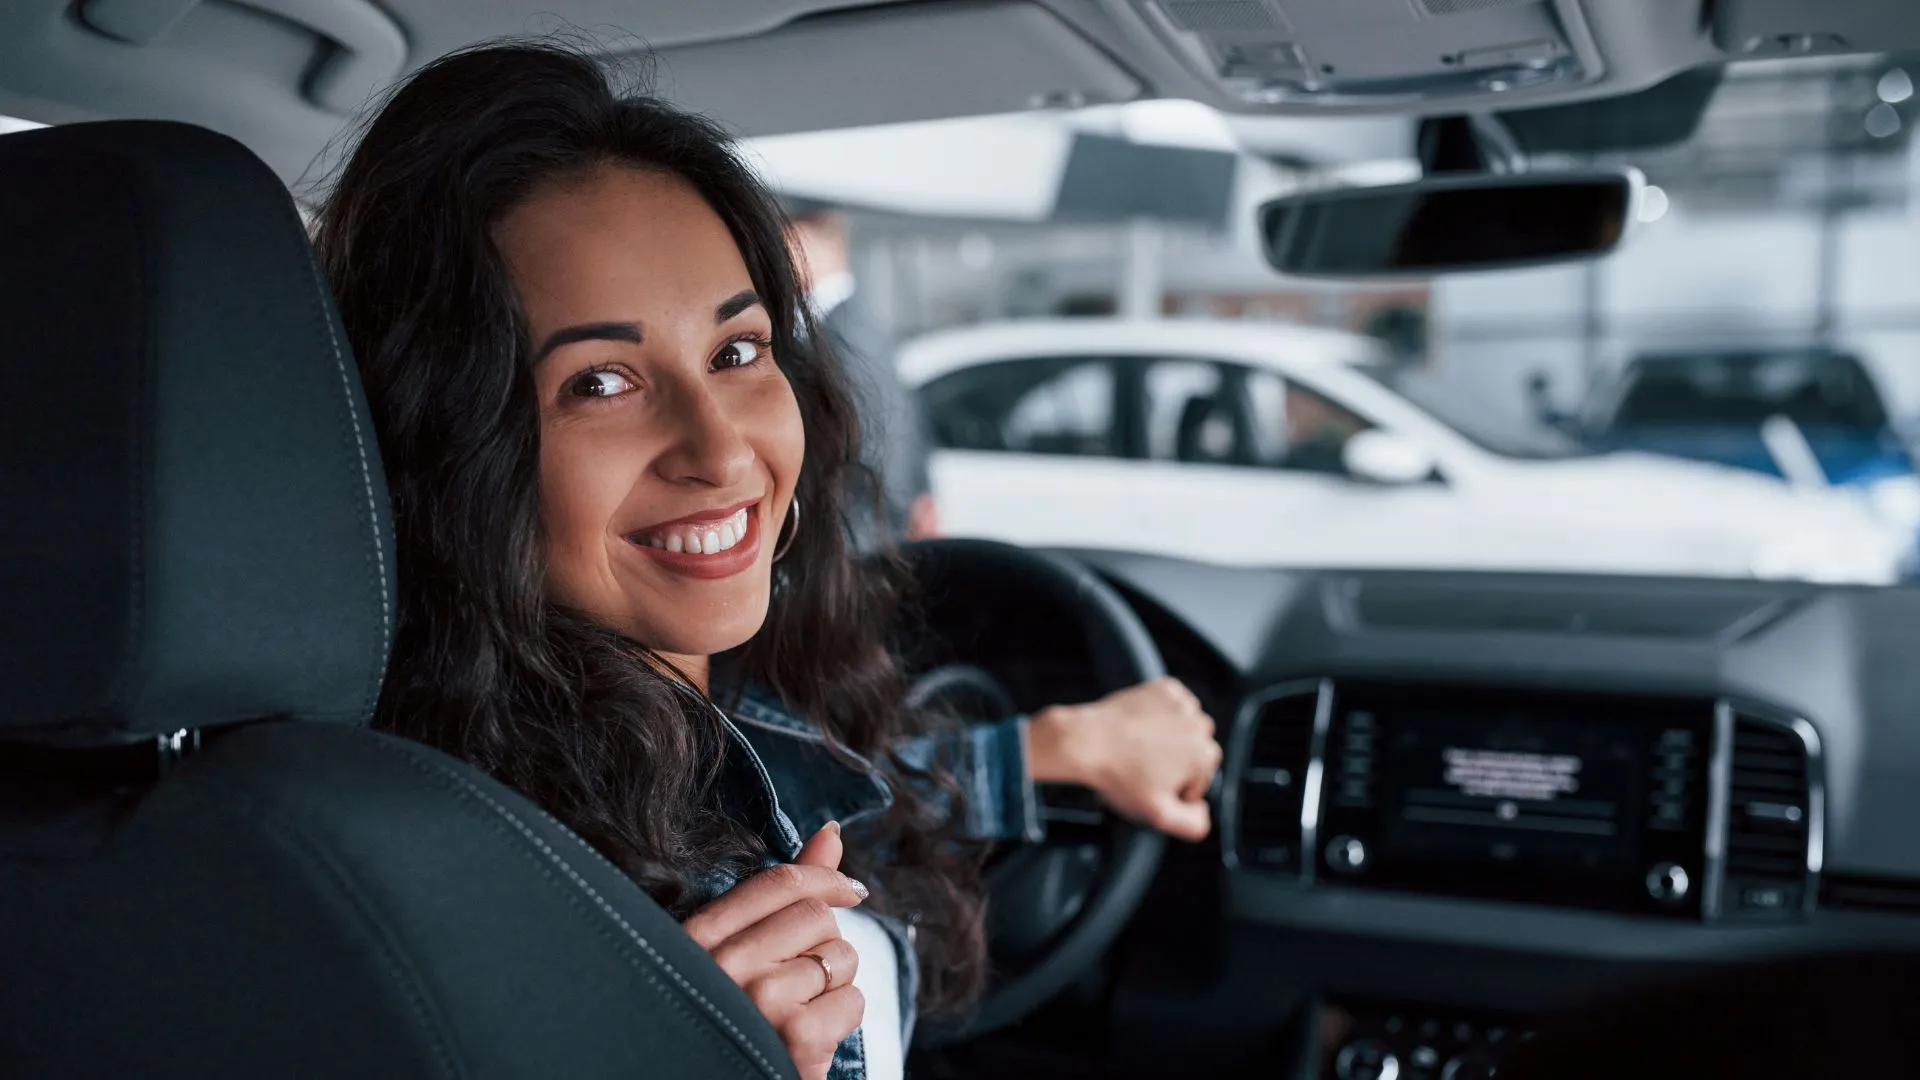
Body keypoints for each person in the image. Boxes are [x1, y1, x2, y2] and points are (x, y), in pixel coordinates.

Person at [315, 41, 1224, 1080]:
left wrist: (1055, 749)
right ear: (444, 444)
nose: (723, 451)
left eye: (736, 353)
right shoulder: (441, 888)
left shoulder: (693, 723)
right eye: (601, 384)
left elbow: (835, 794)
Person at [785, 200, 941, 546]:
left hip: (854, 536)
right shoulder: (844, 321)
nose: (779, 258)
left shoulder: (846, 331)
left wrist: (859, 534)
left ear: (820, 245)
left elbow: (877, 439)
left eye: (788, 244)